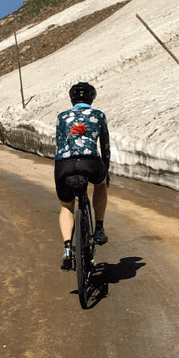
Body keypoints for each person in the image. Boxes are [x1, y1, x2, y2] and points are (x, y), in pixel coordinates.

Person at [54, 82, 110, 271]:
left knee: (66, 206)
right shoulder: (98, 115)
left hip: (64, 164)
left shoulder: (62, 117)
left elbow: (60, 144)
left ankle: (68, 248)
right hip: (90, 162)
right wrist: (106, 172)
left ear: (71, 100)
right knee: (100, 185)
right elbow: (105, 147)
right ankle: (99, 228)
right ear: (92, 99)